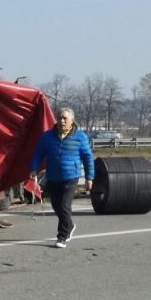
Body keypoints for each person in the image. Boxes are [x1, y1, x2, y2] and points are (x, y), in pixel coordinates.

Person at [29, 106, 95, 248]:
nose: (61, 120)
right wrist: (33, 168)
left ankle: (62, 236)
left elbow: (88, 158)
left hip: (71, 177)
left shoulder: (80, 137)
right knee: (56, 206)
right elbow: (38, 153)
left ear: (72, 120)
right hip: (53, 176)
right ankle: (69, 225)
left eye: (65, 118)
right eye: (59, 118)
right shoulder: (47, 136)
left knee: (64, 206)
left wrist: (90, 178)